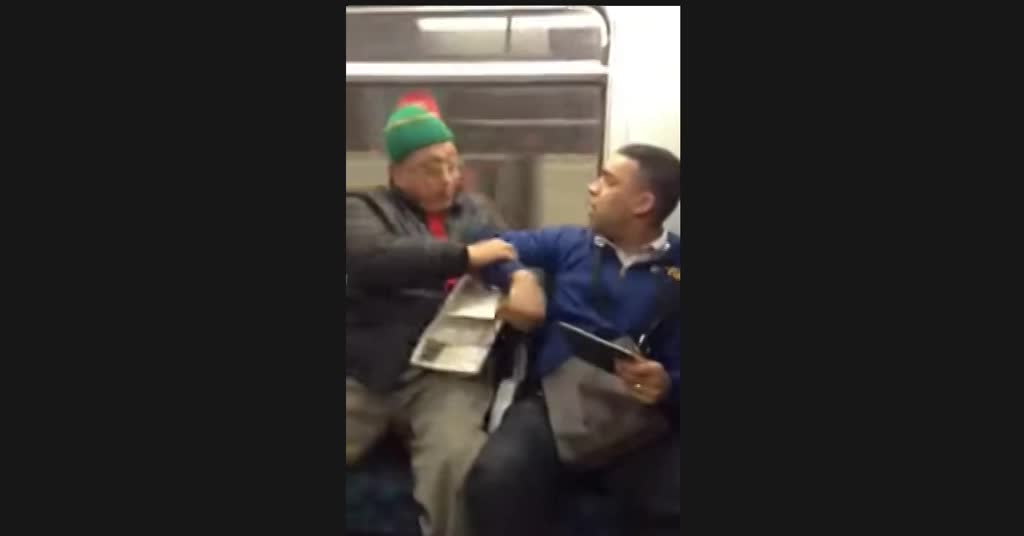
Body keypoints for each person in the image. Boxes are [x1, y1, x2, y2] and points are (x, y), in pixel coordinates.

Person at [345, 93, 544, 536]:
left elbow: (509, 253)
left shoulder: (476, 211)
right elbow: (376, 259)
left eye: (453, 165)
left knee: (457, 463)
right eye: (432, 168)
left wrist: (522, 280)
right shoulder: (363, 208)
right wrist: (466, 256)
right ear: (397, 171)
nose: (448, 179)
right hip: (368, 368)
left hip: (450, 373)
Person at [465, 144, 682, 536]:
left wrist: (668, 384)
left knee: (669, 503)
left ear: (643, 203)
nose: (592, 188)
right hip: (553, 403)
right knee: (495, 479)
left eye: (608, 182)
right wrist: (519, 278)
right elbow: (487, 241)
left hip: (639, 415)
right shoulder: (570, 243)